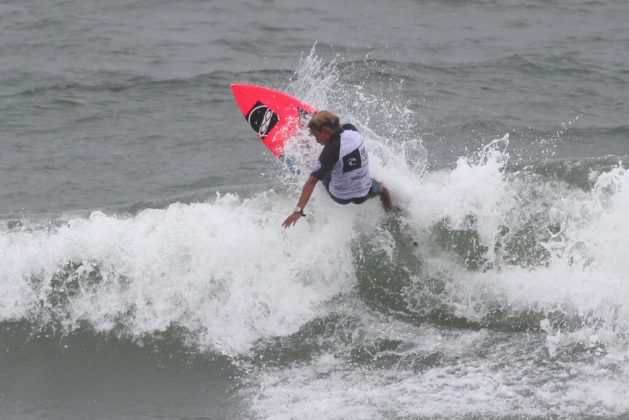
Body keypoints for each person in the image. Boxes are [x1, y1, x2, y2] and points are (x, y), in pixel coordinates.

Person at [282, 110, 393, 228]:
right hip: (363, 194)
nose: (316, 140)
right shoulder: (352, 130)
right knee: (382, 188)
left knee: (319, 167)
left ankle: (307, 151)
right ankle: (391, 213)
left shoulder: (330, 151)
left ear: (326, 131)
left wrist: (298, 211)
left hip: (340, 196)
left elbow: (311, 181)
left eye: (315, 135)